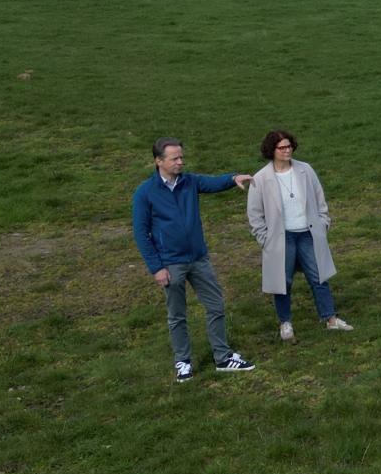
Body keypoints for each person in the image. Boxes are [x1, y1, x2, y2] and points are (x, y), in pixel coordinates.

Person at [131, 137, 255, 380]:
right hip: (171, 263)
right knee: (177, 314)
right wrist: (157, 268)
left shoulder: (190, 182)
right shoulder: (145, 193)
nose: (180, 162)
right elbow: (140, 234)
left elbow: (211, 183)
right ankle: (183, 361)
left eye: (181, 157)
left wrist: (233, 178)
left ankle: (223, 357)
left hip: (199, 259)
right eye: (174, 158)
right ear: (159, 161)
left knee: (216, 306)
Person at [246, 129, 352, 339]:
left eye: (289, 146)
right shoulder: (260, 178)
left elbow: (320, 199)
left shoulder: (305, 169)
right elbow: (255, 215)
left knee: (318, 277)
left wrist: (323, 223)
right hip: (280, 238)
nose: (288, 150)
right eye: (282, 147)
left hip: (308, 234)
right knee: (282, 282)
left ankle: (330, 318)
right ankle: (285, 323)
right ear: (272, 150)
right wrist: (265, 239)